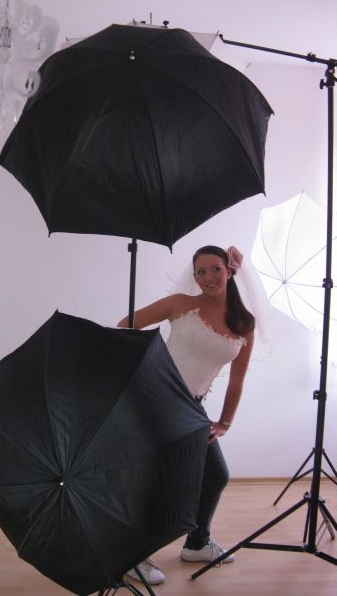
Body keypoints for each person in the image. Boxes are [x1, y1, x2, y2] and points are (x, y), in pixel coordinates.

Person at [118, 245, 255, 586]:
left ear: (229, 270)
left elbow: (237, 380)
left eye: (215, 269)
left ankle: (197, 543)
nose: (208, 277)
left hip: (192, 407)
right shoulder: (181, 304)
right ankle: (132, 555)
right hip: (155, 400)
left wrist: (225, 422)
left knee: (215, 475)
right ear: (194, 276)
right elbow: (126, 325)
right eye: (201, 271)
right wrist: (144, 367)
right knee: (156, 481)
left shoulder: (244, 324)